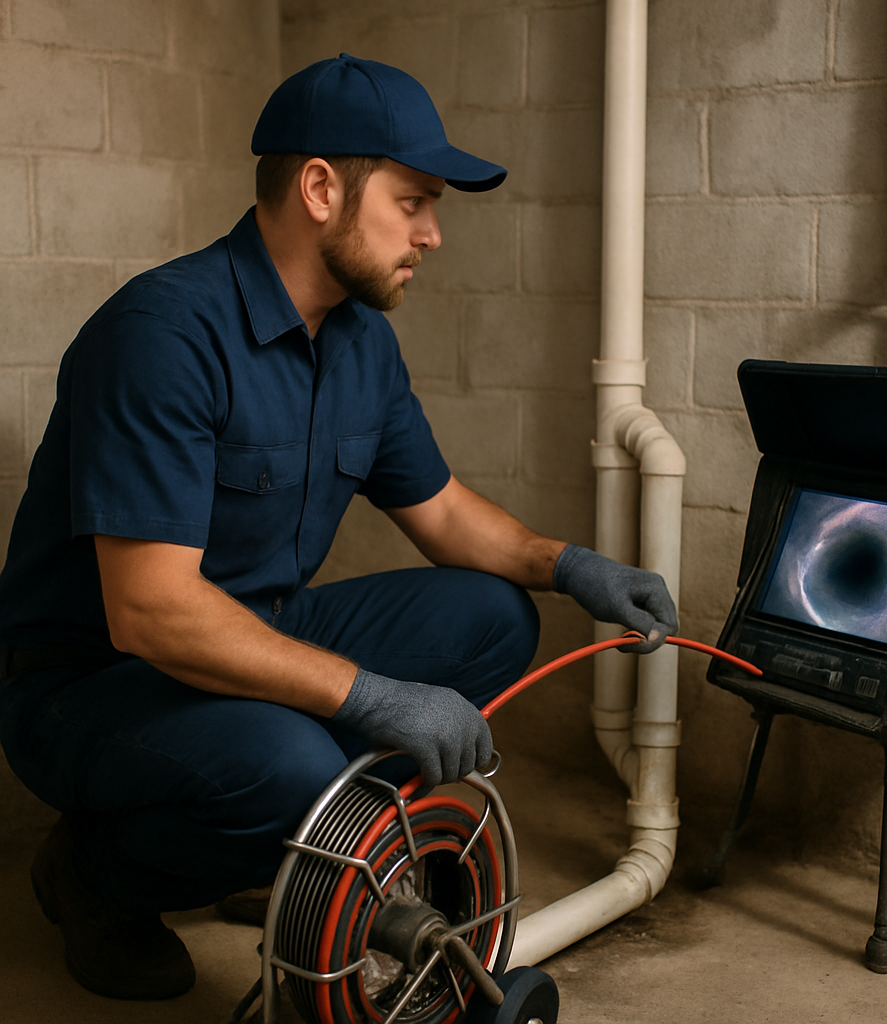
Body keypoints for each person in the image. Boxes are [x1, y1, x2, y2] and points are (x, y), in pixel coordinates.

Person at [0, 54, 676, 1001]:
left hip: (259, 633)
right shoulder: (162, 335)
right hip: (99, 683)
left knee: (494, 617)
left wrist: (569, 565)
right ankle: (96, 877)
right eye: (413, 202)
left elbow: (442, 512)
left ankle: (285, 854)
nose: (432, 234)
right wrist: (371, 696)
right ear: (321, 189)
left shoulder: (361, 342)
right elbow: (150, 612)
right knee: (294, 768)